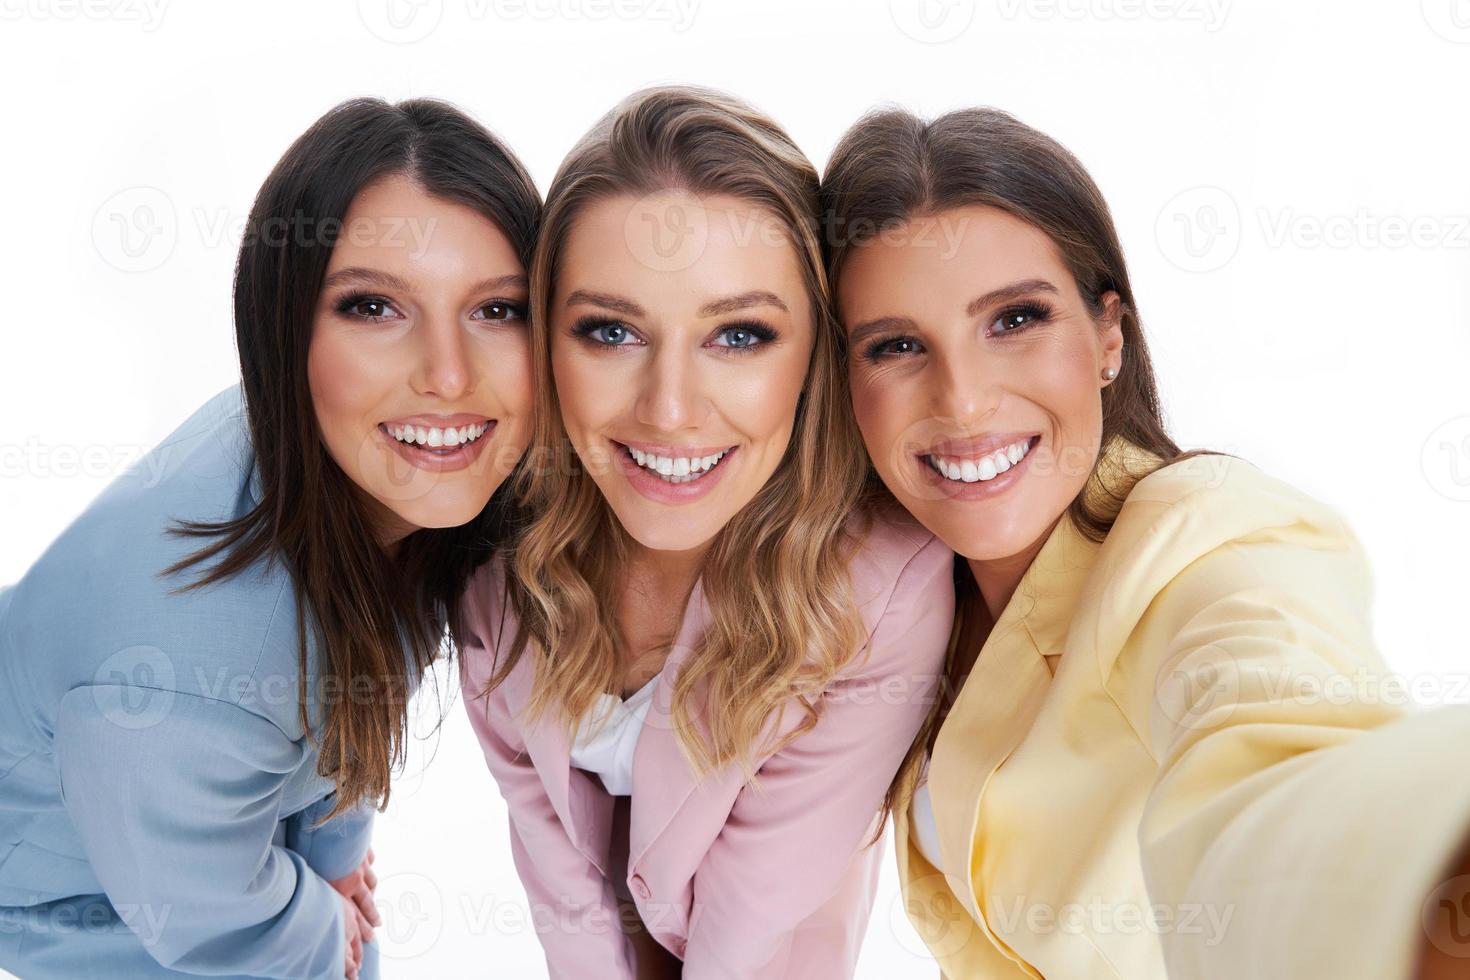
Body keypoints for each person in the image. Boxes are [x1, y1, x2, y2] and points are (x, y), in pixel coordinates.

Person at [822, 104, 1470, 979]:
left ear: (1108, 335)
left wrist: (1420, 873)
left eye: (1014, 319)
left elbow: (1276, 739)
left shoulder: (1208, 535)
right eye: (896, 345)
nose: (964, 401)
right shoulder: (904, 600)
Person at [0, 97, 540, 979]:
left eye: (497, 310)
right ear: (282, 331)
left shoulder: (354, 469)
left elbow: (355, 673)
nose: (448, 377)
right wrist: (322, 928)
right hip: (62, 887)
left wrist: (331, 858)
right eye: (373, 307)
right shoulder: (181, 679)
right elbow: (207, 920)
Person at [456, 85, 954, 979]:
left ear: (816, 354)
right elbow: (566, 905)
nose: (670, 410)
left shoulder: (884, 588)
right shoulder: (501, 574)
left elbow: (747, 929)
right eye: (610, 331)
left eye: (739, 335)